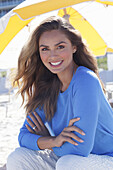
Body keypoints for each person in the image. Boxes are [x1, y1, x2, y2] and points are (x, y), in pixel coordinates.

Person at [7, 16, 113, 170]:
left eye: (60, 47)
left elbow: (80, 149)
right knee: (18, 158)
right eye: (45, 49)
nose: (53, 55)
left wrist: (47, 142)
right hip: (67, 157)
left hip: (106, 159)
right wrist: (52, 140)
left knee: (67, 163)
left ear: (74, 47)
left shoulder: (85, 80)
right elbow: (23, 137)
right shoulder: (46, 87)